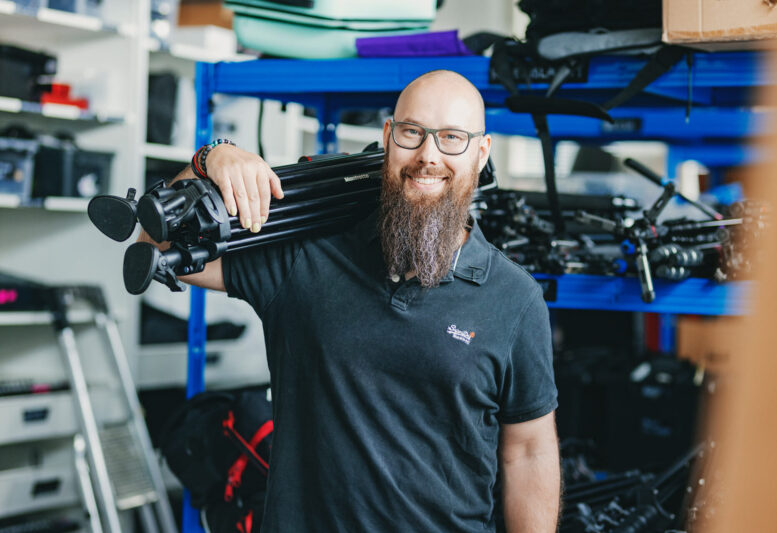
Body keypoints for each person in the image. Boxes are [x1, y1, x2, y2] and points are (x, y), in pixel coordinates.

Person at [141, 70, 560, 532]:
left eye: (452, 138)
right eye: (411, 132)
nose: (428, 156)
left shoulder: (514, 298)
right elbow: (151, 246)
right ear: (387, 138)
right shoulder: (305, 258)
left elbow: (528, 451)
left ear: (481, 153)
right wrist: (208, 160)